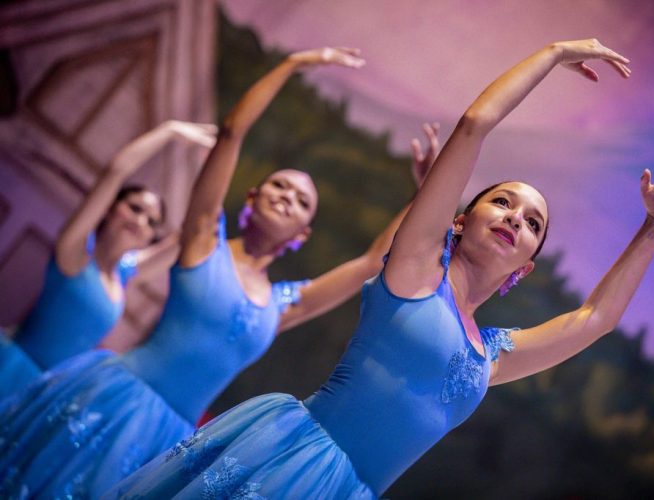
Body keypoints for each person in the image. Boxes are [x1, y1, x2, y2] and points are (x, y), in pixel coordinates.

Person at [109, 39, 654, 499]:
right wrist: (554, 54)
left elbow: (596, 317)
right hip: (290, 459)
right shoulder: (414, 273)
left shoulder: (491, 355)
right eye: (503, 201)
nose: (516, 218)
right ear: (459, 220)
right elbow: (474, 125)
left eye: (533, 222)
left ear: (527, 267)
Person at [0, 46, 435, 499]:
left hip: (172, 441)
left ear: (301, 234)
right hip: (116, 401)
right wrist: (292, 66)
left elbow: (371, 262)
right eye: (279, 185)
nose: (287, 196)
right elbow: (231, 133)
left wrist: (424, 198)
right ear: (252, 197)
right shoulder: (204, 240)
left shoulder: (283, 304)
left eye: (301, 200)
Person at [0, 120, 216, 398]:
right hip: (11, 373)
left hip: (45, 394)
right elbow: (116, 171)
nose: (140, 221)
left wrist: (209, 170)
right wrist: (170, 131)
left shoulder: (124, 275)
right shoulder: (76, 252)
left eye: (152, 221)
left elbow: (190, 233)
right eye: (135, 208)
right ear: (110, 208)